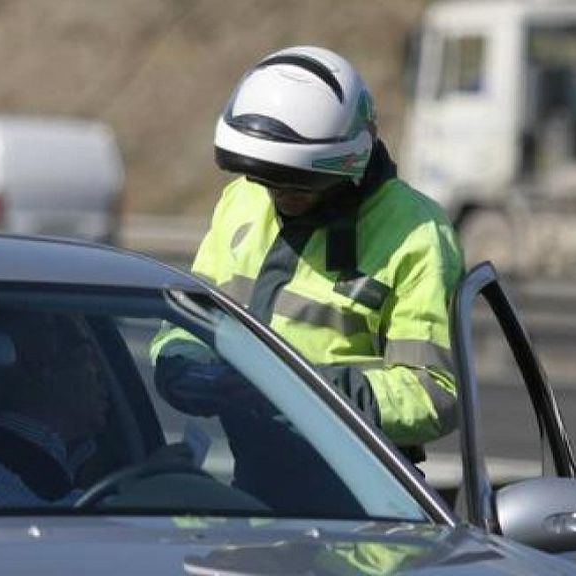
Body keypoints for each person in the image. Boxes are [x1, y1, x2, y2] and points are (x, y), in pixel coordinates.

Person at [152, 46, 464, 465]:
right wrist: (181, 366)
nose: (279, 195)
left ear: (346, 164)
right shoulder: (241, 201)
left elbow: (434, 393)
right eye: (264, 179)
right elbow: (191, 318)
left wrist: (305, 392)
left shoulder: (418, 232)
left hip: (363, 489)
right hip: (255, 472)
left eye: (298, 183)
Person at [0, 312, 115, 508]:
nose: (101, 374)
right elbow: (41, 531)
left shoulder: (87, 460)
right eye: (87, 357)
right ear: (41, 367)